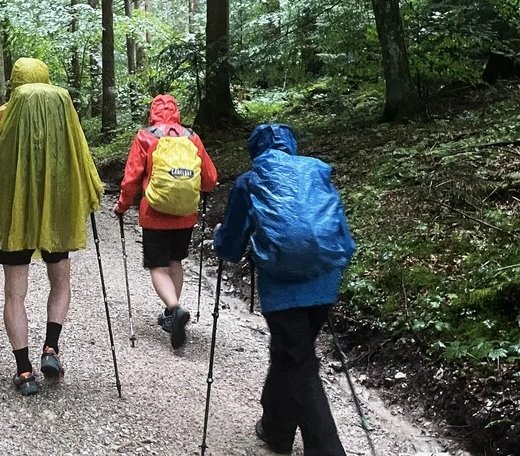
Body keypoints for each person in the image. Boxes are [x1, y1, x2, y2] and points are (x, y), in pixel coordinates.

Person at [213, 124, 354, 456]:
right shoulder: (315, 173)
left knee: (299, 362)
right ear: (291, 146)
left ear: (255, 151)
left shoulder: (251, 181)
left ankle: (328, 450)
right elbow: (339, 230)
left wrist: (220, 236)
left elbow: (231, 247)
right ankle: (276, 429)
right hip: (325, 280)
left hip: (282, 290)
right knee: (289, 354)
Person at [0, 58, 103, 396]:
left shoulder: (2, 115)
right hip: (57, 211)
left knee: (15, 293)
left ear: (15, 82)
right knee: (60, 280)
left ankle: (24, 370)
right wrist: (91, 191)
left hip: (15, 213)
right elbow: (81, 154)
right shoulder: (64, 111)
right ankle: (51, 348)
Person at [113, 94, 218, 349]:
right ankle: (172, 316)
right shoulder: (191, 137)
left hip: (155, 215)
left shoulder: (146, 136)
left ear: (152, 113)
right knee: (175, 262)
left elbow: (131, 179)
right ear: (176, 112)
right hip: (185, 215)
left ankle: (174, 307)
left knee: (158, 266)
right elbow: (210, 180)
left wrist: (122, 205)